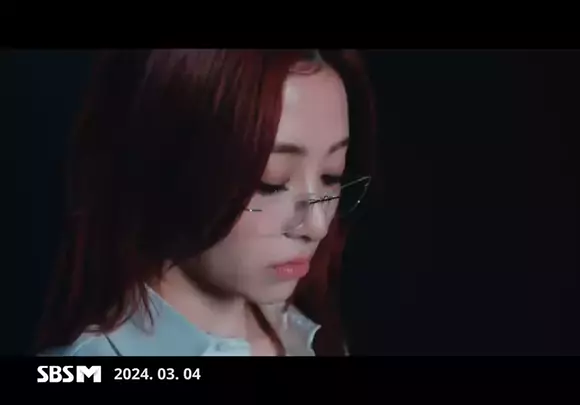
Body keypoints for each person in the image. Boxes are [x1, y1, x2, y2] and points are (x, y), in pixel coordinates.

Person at [34, 49, 376, 356]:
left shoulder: (312, 337)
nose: (317, 225)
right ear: (162, 166)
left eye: (331, 175)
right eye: (271, 183)